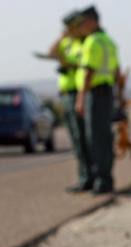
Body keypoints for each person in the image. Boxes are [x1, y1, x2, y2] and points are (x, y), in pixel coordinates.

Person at [75, 6, 123, 194]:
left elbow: (88, 72)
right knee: (104, 136)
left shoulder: (92, 42)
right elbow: (117, 71)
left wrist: (80, 99)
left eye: (83, 22)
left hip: (95, 93)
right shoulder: (109, 41)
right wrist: (119, 96)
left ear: (92, 21)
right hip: (107, 92)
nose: (82, 27)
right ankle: (106, 178)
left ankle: (101, 180)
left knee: (95, 138)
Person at [47, 11, 93, 193]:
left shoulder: (83, 43)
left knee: (84, 138)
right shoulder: (66, 42)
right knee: (76, 139)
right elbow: (51, 52)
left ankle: (89, 177)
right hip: (66, 93)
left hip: (77, 93)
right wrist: (62, 37)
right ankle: (85, 176)